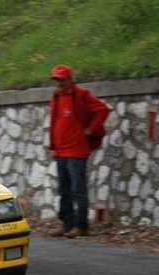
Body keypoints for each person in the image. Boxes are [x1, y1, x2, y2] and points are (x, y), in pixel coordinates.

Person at [48, 64, 110, 238]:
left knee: (78, 191)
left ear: (69, 79)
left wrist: (90, 130)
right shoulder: (56, 96)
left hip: (76, 152)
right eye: (56, 80)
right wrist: (53, 145)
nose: (58, 83)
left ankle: (81, 226)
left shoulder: (81, 95)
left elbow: (103, 109)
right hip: (61, 152)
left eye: (61, 79)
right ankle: (66, 224)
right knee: (64, 191)